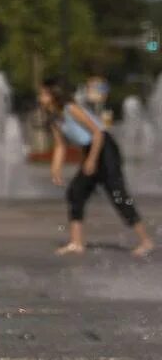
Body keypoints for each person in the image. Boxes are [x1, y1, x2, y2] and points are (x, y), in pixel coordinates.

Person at [38, 79, 154, 257]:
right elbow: (60, 146)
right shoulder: (54, 118)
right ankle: (76, 243)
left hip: (105, 148)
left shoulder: (71, 108)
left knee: (118, 195)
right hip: (90, 149)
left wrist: (91, 160)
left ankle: (146, 241)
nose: (40, 97)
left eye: (44, 94)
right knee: (76, 192)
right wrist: (55, 170)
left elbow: (98, 133)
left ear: (55, 95)